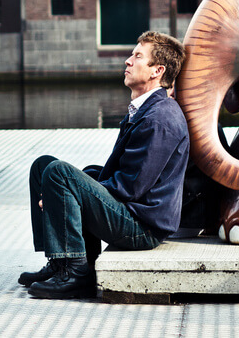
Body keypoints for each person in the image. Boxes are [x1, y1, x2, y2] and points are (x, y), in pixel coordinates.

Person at [20, 31, 190, 299]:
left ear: (157, 70)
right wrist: (78, 186)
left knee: (59, 174)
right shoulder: (146, 109)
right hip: (131, 212)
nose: (127, 61)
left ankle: (76, 273)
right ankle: (60, 262)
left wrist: (69, 192)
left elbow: (131, 186)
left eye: (137, 56)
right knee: (44, 167)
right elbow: (122, 177)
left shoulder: (160, 118)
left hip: (142, 227)